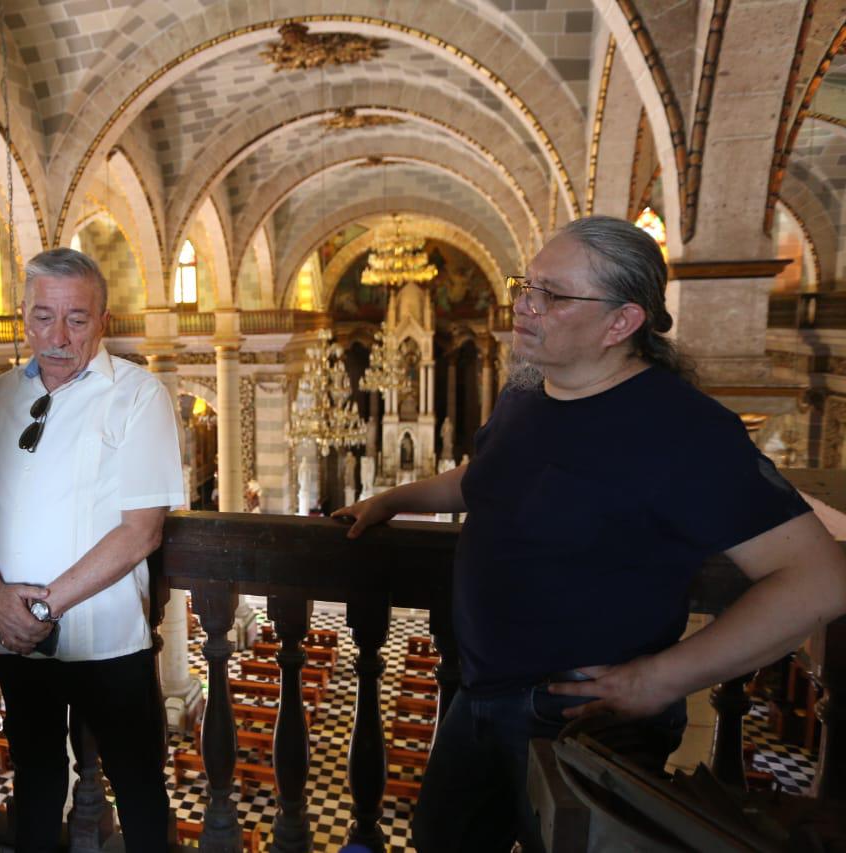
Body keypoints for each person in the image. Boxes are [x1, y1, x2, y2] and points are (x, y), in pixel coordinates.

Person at [333, 215, 846, 851]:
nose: (524, 306)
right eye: (527, 285)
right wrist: (393, 499)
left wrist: (662, 679)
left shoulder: (685, 433)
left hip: (579, 719)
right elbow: (485, 477)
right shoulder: (528, 391)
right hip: (476, 693)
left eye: (553, 294)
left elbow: (820, 578)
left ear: (622, 323)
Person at [0, 248, 183, 852]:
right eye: (43, 316)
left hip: (108, 639)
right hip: (14, 634)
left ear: (103, 319)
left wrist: (42, 609)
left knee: (136, 787)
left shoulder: (138, 395)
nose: (57, 336)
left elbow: (142, 531)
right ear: (22, 317)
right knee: (34, 778)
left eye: (77, 319)